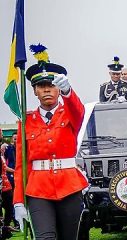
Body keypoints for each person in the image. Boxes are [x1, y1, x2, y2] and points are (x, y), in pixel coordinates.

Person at [13, 44, 88, 239]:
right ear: (35, 91)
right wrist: (18, 201)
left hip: (69, 186)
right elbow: (22, 165)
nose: (47, 90)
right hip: (38, 190)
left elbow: (79, 112)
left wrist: (68, 92)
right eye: (41, 86)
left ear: (58, 88)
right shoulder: (26, 120)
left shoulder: (69, 113)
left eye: (51, 85)